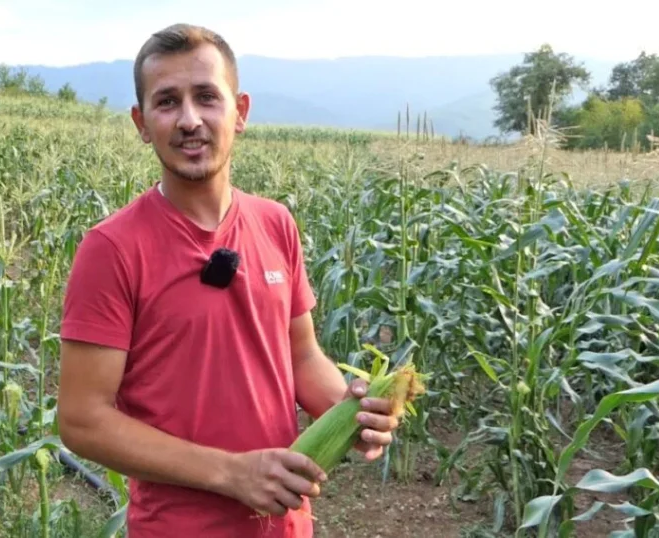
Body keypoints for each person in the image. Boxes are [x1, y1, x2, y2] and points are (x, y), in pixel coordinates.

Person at [56, 23, 402, 537]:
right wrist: (231, 473)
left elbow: (300, 356)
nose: (189, 120)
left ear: (239, 112)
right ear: (141, 123)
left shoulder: (275, 223)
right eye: (167, 102)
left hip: (285, 522)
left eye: (206, 97)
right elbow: (83, 419)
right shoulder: (112, 249)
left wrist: (351, 412)